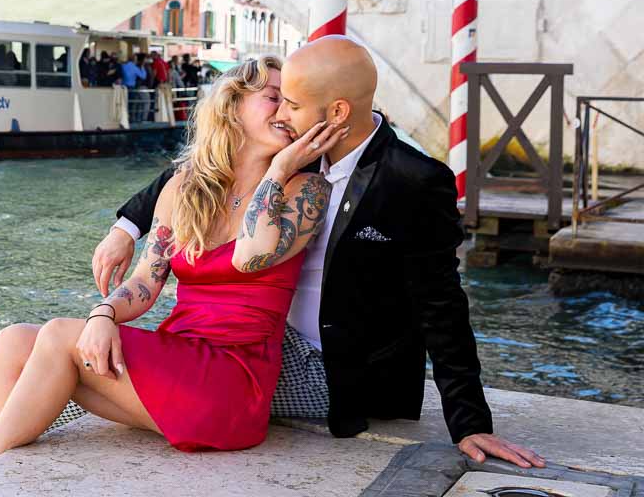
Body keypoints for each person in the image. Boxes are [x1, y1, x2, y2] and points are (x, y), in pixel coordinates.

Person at [88, 37, 547, 469]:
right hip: (265, 345)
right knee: (85, 361)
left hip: (342, 373)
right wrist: (127, 226)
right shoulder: (296, 149)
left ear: (338, 111)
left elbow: (442, 302)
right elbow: (204, 169)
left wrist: (469, 424)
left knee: (87, 371)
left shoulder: (412, 180)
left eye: (291, 103)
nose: (281, 113)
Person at [0, 58, 344, 466]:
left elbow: (254, 253)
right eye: (273, 97)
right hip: (181, 361)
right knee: (14, 341)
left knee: (62, 336)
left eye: (291, 101)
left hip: (233, 382)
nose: (286, 110)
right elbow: (144, 283)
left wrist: (279, 168)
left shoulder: (304, 190)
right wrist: (103, 313)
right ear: (233, 107)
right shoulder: (184, 189)